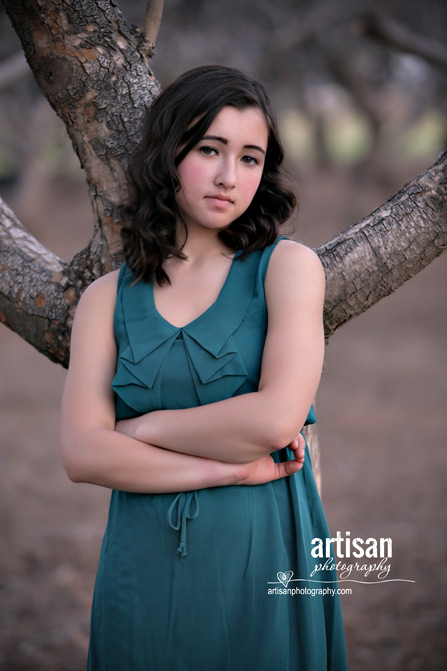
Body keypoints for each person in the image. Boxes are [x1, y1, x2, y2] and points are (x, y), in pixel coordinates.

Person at [60, 64, 347, 670]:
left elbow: (274, 422)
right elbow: (83, 456)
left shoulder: (288, 269)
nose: (228, 176)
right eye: (209, 149)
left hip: (265, 556)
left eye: (250, 158)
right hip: (140, 570)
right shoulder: (106, 298)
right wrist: (233, 472)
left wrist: (140, 430)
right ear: (168, 154)